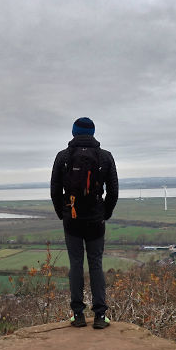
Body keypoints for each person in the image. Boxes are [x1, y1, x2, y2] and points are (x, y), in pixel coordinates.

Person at [50, 117, 118, 329]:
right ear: (93, 133)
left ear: (73, 132)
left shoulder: (63, 157)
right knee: (96, 264)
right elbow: (113, 191)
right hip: (96, 220)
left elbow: (54, 190)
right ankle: (99, 316)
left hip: (72, 219)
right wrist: (104, 213)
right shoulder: (105, 157)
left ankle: (78, 314)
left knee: (76, 264)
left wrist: (63, 213)